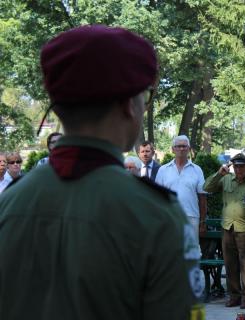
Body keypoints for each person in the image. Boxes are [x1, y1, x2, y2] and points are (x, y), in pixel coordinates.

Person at [0, 25, 203, 320]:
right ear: (127, 105)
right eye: (143, 97)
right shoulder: (155, 215)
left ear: (57, 109)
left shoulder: (9, 204)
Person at [203, 153, 245, 309]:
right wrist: (219, 173)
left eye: (242, 166)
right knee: (230, 263)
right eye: (236, 166)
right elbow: (207, 187)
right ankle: (234, 295)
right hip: (228, 227)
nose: (239, 169)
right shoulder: (226, 179)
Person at [155, 135, 207, 241]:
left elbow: (202, 198)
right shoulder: (163, 170)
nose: (181, 149)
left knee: (190, 253)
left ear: (189, 148)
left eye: (184, 146)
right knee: (169, 252)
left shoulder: (197, 170)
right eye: (178, 146)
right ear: (173, 149)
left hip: (191, 218)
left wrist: (202, 222)